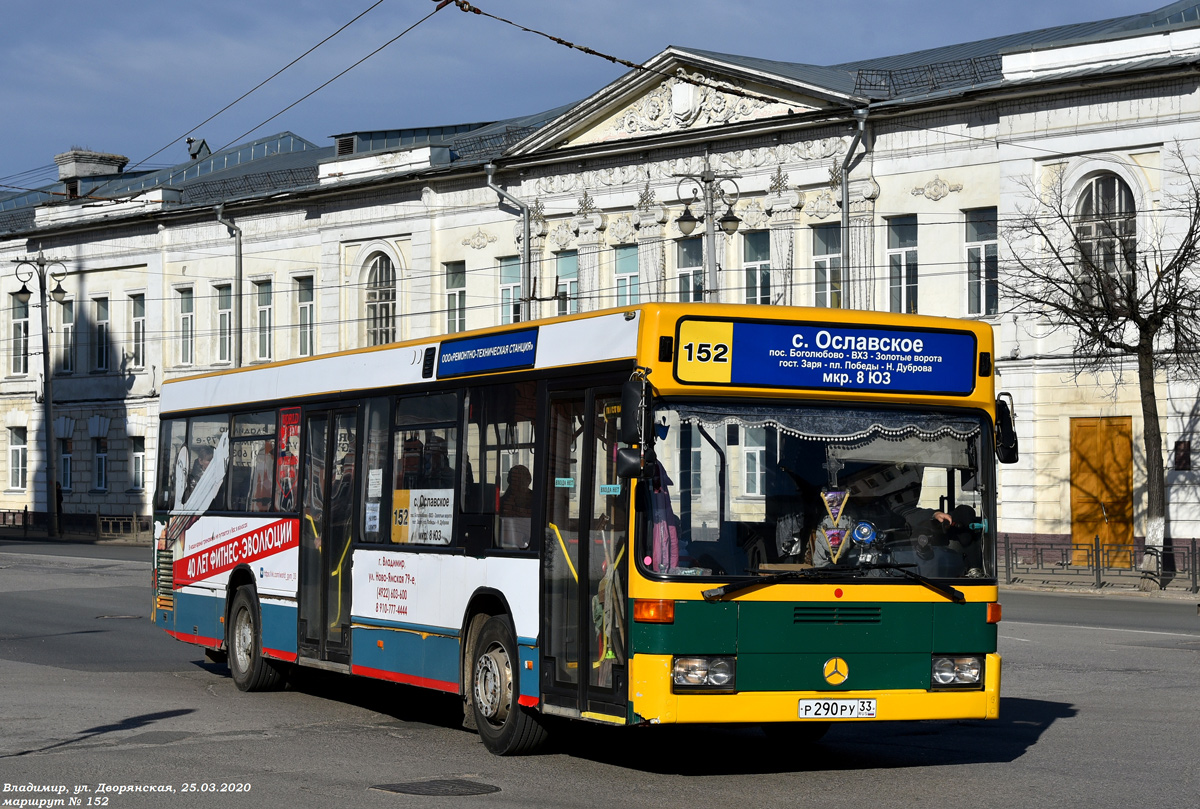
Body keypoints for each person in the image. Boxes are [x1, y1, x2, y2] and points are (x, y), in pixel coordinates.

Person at [498, 464, 532, 549]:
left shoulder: (535, 499)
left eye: (523, 481)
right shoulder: (503, 502)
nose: (520, 485)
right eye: (517, 481)